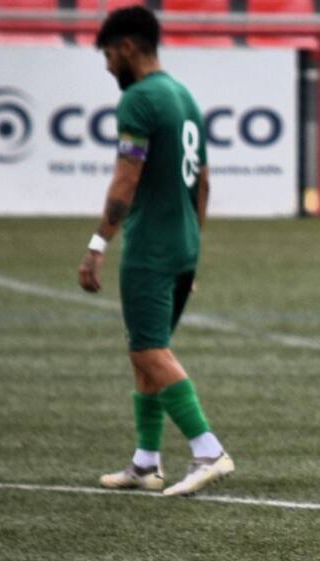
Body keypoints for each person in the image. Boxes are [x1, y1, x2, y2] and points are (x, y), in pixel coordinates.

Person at [79, 6, 233, 497]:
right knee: (145, 351)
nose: (106, 66)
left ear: (126, 47)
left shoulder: (140, 100)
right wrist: (192, 238)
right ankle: (146, 462)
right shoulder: (183, 95)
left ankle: (208, 449)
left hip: (150, 247)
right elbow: (204, 181)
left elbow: (126, 178)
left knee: (147, 348)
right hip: (184, 244)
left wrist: (98, 243)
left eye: (106, 54)